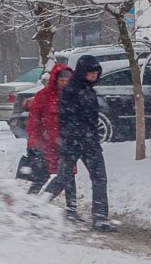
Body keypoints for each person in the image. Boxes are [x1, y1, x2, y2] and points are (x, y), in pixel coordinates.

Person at [41, 55, 115, 232]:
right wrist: (76, 137)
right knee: (63, 177)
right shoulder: (71, 91)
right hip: (72, 143)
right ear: (82, 72)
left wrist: (92, 138)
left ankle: (100, 218)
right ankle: (37, 206)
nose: (93, 77)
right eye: (90, 74)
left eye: (96, 74)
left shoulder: (89, 91)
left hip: (90, 143)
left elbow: (91, 119)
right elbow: (67, 118)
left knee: (99, 179)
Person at [25, 63, 76, 205]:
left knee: (69, 175)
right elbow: (33, 120)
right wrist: (33, 142)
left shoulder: (73, 95)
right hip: (46, 143)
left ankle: (71, 208)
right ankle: (30, 203)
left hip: (66, 143)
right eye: (62, 81)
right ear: (55, 80)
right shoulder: (43, 95)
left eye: (68, 81)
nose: (65, 84)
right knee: (42, 174)